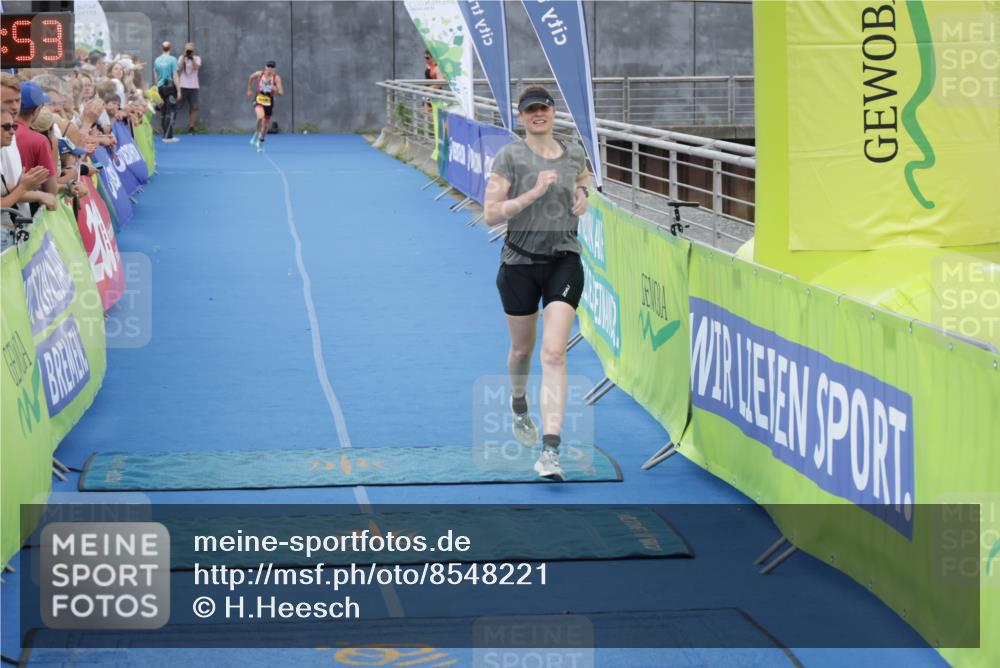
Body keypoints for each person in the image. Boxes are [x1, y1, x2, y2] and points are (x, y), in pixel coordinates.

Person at [483, 87, 592, 482]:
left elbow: (584, 178)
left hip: (564, 260)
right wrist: (533, 192)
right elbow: (490, 214)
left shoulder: (574, 151)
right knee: (522, 350)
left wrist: (583, 194)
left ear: (553, 111)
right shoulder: (510, 157)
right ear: (521, 118)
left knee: (554, 354)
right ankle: (518, 404)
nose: (538, 115)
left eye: (543, 108)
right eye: (530, 111)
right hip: (519, 265)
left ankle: (550, 451)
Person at [14, 81, 58, 197]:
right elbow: (51, 191)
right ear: (37, 109)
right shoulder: (39, 141)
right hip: (22, 211)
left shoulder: (5, 130)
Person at [246, 61, 283, 152]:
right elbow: (251, 77)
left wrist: (277, 89)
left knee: (265, 126)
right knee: (260, 117)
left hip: (269, 100)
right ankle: (256, 134)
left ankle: (261, 142)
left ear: (274, 69)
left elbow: (281, 92)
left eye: (272, 67)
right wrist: (249, 89)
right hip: (259, 98)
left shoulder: (276, 78)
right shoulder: (260, 73)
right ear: (265, 67)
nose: (270, 69)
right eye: (268, 67)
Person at [153, 41, 180, 142]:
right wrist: (179, 90)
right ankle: (168, 136)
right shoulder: (172, 59)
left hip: (160, 87)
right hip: (170, 88)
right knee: (171, 111)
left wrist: (157, 88)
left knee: (163, 112)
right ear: (170, 48)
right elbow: (175, 75)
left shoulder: (157, 60)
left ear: (162, 48)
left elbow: (155, 75)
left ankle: (165, 134)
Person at [177, 42, 202, 133]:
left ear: (193, 50)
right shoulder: (181, 58)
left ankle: (191, 126)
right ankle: (170, 124)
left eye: (190, 50)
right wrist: (184, 57)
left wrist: (191, 59)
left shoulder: (197, 58)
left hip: (193, 86)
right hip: (182, 85)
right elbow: (179, 69)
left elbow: (196, 68)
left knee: (194, 107)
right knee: (176, 105)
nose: (189, 52)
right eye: (187, 50)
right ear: (184, 50)